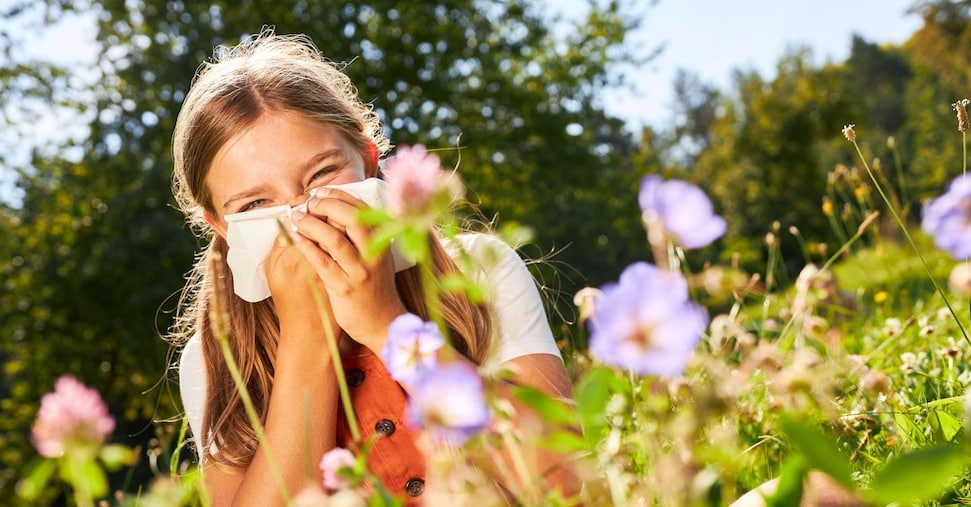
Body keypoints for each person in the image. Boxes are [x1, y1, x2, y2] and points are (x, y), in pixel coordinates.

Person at [170, 30, 576, 506]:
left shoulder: (479, 274)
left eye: (321, 174)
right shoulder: (217, 358)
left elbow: (563, 480)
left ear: (367, 160)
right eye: (258, 202)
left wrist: (386, 323)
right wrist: (308, 341)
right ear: (222, 226)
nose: (302, 215)